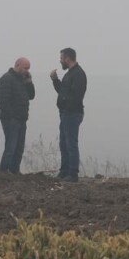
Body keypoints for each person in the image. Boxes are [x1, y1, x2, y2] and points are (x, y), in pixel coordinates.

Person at [50, 47, 87, 182]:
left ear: (67, 58)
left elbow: (77, 96)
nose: (60, 61)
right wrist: (55, 80)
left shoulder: (78, 74)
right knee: (64, 144)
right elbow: (63, 91)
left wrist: (66, 106)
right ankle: (64, 171)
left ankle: (73, 173)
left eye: (61, 58)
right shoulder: (69, 74)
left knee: (71, 143)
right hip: (66, 113)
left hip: (72, 113)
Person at [0, 57, 35, 174]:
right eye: (25, 68)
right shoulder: (6, 79)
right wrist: (13, 116)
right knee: (11, 147)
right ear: (17, 65)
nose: (27, 71)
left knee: (19, 148)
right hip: (11, 119)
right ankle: (4, 172)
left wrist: (29, 82)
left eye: (28, 69)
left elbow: (31, 96)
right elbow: (3, 102)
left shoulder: (24, 80)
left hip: (22, 119)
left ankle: (14, 171)